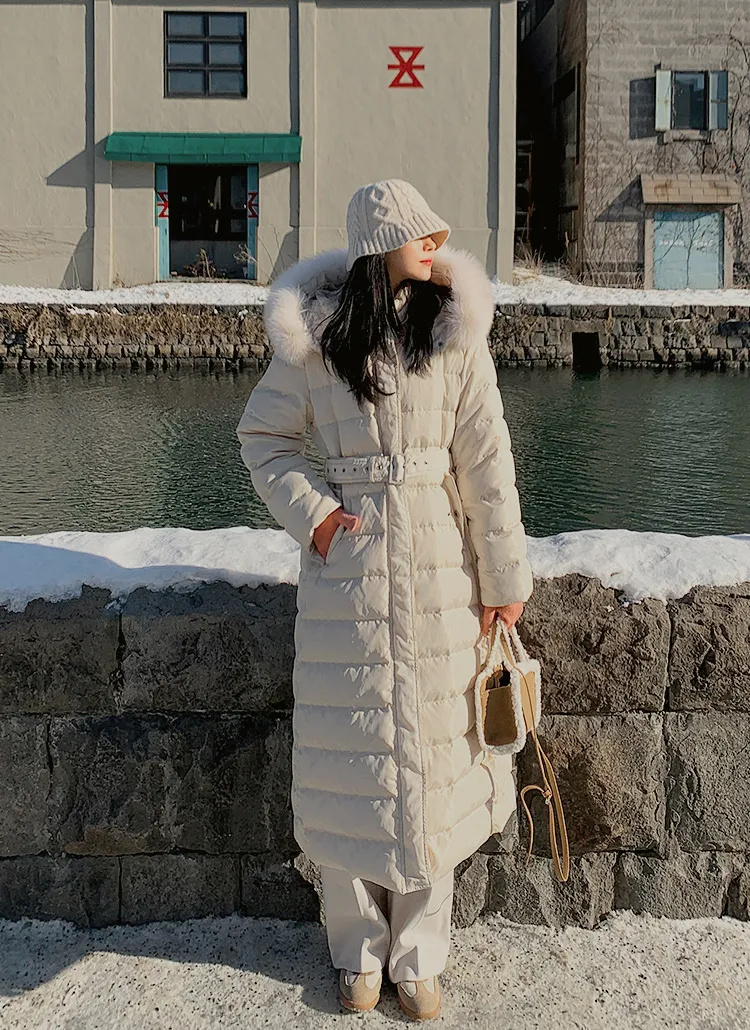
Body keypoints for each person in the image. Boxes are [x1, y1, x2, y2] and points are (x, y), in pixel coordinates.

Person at [235, 179, 534, 1020]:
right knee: (349, 768)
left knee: (437, 767)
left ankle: (420, 955)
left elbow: (488, 465)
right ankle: (356, 950)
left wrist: (504, 582)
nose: (435, 241)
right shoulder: (319, 338)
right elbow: (263, 440)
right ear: (379, 246)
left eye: (436, 230)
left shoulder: (455, 334)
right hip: (349, 581)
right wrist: (317, 518)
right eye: (417, 233)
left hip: (444, 576)